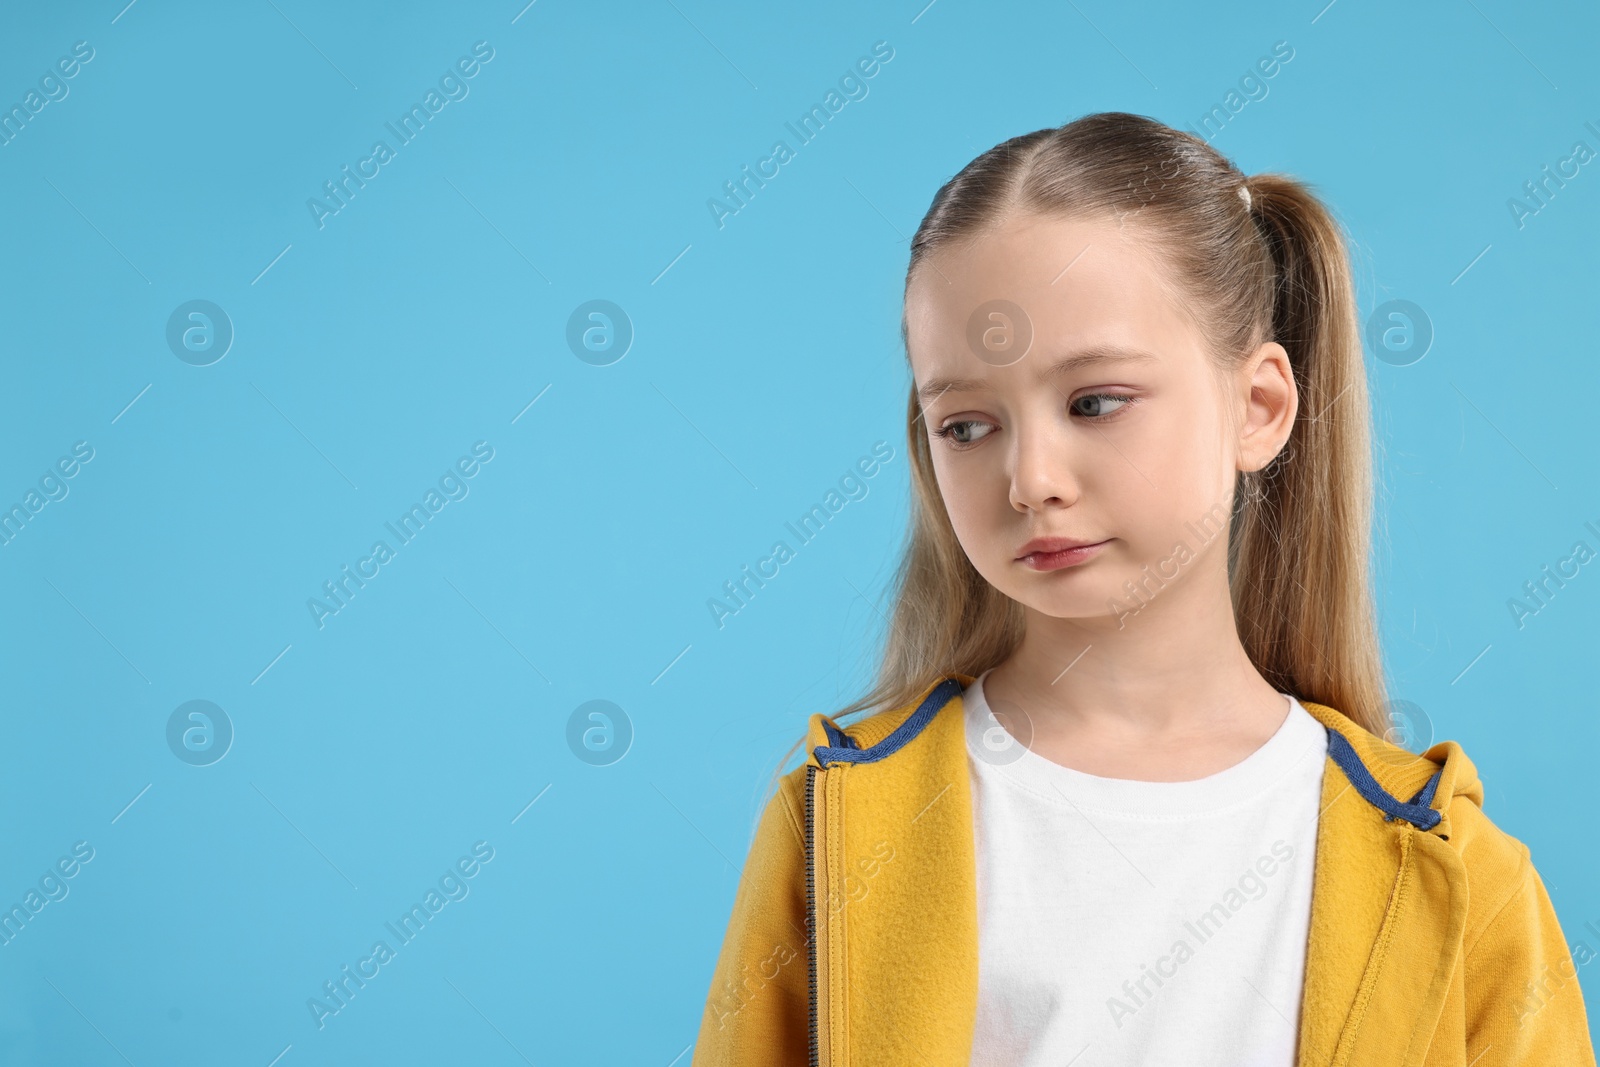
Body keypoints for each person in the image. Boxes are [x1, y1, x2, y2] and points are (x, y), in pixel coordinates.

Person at [690, 111, 1596, 1066]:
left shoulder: (1456, 870)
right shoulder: (831, 825)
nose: (1030, 477)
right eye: (965, 424)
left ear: (1259, 408)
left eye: (1095, 402)